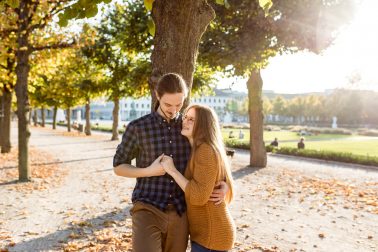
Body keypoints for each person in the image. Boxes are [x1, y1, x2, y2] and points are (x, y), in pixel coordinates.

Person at [113, 73, 227, 252]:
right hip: (147, 206)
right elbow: (119, 167)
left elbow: (211, 157)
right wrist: (149, 171)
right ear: (157, 96)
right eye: (168, 104)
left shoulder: (188, 128)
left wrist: (224, 185)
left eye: (179, 104)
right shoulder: (138, 128)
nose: (174, 110)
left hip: (181, 212)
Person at [161, 104, 236, 252]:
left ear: (203, 125)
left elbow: (198, 196)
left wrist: (173, 171)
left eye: (191, 120)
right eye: (185, 117)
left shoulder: (205, 150)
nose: (185, 121)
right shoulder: (198, 148)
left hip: (212, 236)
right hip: (206, 235)